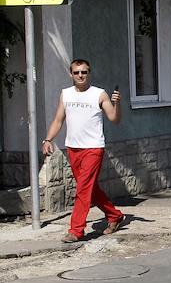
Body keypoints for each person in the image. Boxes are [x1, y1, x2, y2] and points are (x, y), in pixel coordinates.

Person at [42, 58, 125, 242]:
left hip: (93, 148)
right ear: (71, 74)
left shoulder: (99, 94)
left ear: (89, 73)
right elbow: (58, 120)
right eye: (76, 72)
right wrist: (48, 139)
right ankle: (115, 216)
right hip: (73, 148)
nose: (80, 75)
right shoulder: (66, 94)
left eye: (84, 72)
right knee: (90, 189)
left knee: (82, 189)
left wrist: (117, 103)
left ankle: (76, 230)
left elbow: (114, 118)